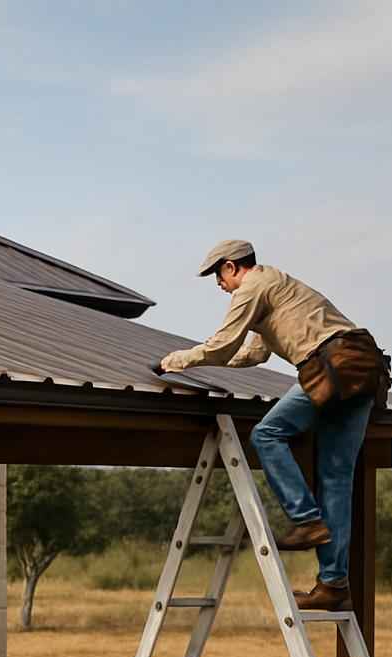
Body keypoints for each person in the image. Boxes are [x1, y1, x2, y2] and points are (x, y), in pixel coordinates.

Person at [156, 239, 379, 612]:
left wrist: (177, 361)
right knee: (336, 476)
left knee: (266, 434)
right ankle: (333, 585)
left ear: (231, 267)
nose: (218, 285)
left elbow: (224, 342)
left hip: (331, 365)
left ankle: (306, 520)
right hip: (363, 366)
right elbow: (253, 352)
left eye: (217, 275)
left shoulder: (252, 287)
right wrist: (210, 363)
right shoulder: (276, 286)